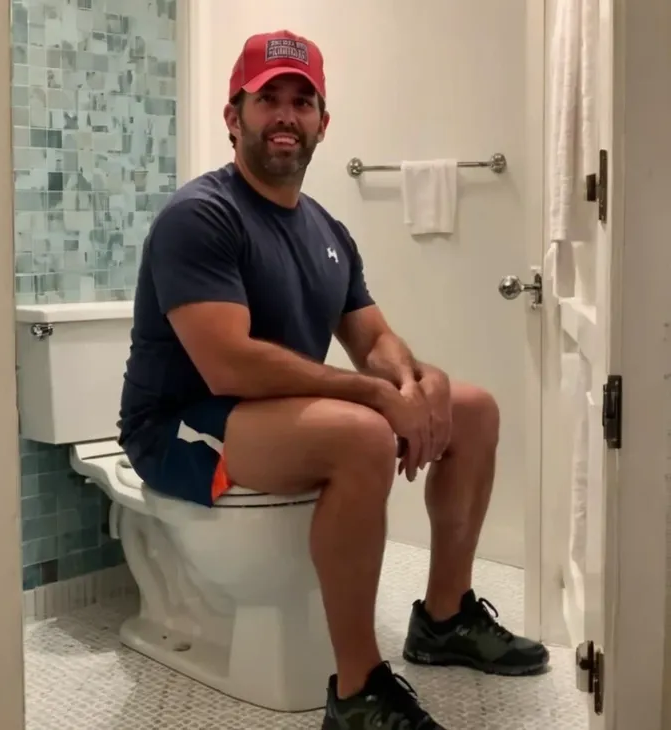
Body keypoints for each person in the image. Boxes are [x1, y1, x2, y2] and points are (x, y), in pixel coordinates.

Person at [118, 28, 549, 730]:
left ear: (323, 122)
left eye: (302, 100)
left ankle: (443, 619)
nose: (286, 115)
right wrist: (378, 397)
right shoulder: (200, 217)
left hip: (267, 414)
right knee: (361, 437)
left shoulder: (327, 230)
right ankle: (356, 690)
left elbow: (372, 338)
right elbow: (229, 363)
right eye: (268, 101)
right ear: (234, 117)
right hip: (181, 424)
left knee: (473, 409)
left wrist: (417, 379)